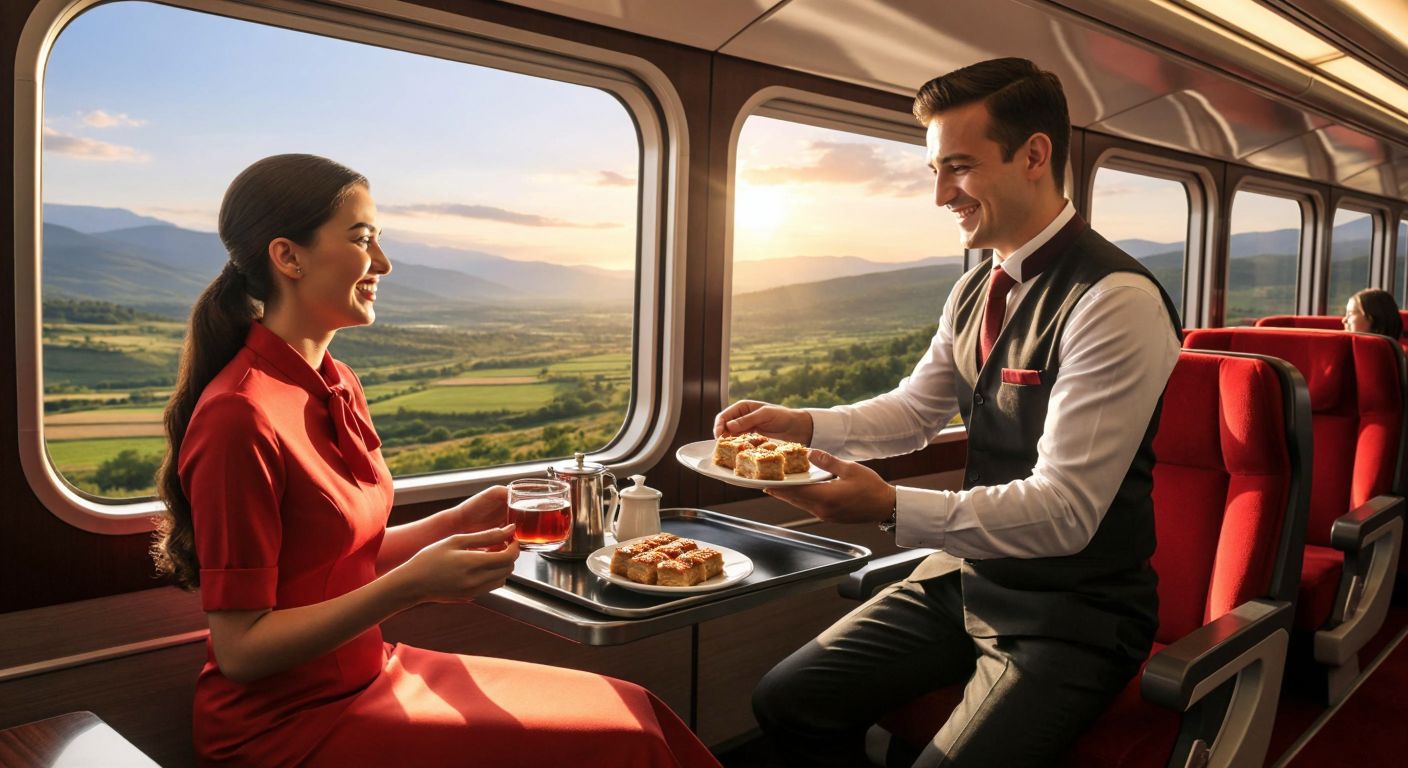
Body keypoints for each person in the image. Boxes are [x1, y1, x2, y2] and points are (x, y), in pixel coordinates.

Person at [152, 154, 720, 768]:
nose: (384, 263)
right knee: (626, 746)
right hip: (288, 727)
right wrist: (412, 588)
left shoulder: (336, 382)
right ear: (287, 257)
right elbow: (241, 650)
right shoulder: (239, 415)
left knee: (635, 710)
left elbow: (338, 558)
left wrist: (460, 519)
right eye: (363, 239)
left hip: (367, 675)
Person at [717, 59, 1181, 766]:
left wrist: (888, 508)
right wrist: (802, 424)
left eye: (958, 168)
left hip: (1073, 614)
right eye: (935, 169)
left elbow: (1065, 511)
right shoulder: (973, 292)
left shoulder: (1114, 300)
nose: (939, 195)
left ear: (1033, 155)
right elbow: (913, 413)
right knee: (787, 699)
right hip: (964, 578)